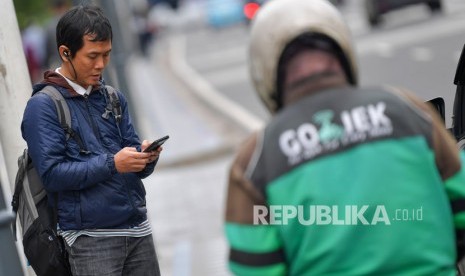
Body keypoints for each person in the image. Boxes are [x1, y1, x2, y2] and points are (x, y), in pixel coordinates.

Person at [224, 0, 465, 275]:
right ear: (343, 49)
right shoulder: (408, 111)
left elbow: (254, 267)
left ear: (263, 69)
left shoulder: (254, 162)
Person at [21, 5, 162, 275]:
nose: (101, 65)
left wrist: (144, 158)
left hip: (138, 230)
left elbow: (129, 160)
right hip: (90, 241)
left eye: (107, 55)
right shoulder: (43, 106)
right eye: (92, 56)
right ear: (65, 53)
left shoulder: (111, 97)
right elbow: (52, 174)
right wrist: (113, 164)